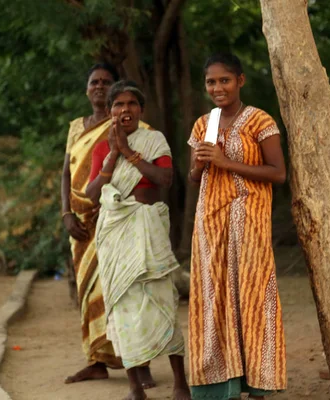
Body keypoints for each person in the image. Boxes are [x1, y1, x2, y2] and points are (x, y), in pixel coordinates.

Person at [187, 53, 288, 400]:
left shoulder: (260, 121)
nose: (218, 88)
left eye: (225, 80)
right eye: (211, 82)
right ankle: (221, 386)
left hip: (250, 222)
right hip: (211, 225)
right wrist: (201, 163)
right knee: (214, 298)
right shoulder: (204, 123)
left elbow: (278, 173)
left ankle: (259, 385)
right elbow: (193, 176)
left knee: (253, 296)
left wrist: (226, 161)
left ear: (240, 81)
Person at [85, 80, 191, 400]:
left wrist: (128, 152)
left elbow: (165, 180)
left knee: (161, 299)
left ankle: (180, 383)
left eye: (132, 104)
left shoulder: (154, 139)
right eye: (118, 105)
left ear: (141, 111)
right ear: (110, 111)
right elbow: (91, 195)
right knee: (122, 306)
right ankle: (134, 387)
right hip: (115, 233)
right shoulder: (102, 147)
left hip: (148, 227)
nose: (125, 110)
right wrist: (113, 154)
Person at [61, 63, 154, 387]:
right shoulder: (77, 127)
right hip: (82, 223)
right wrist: (66, 214)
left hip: (116, 219)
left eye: (105, 82)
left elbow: (142, 172)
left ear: (115, 89)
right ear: (87, 89)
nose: (99, 86)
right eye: (94, 82)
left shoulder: (133, 126)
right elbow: (65, 174)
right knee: (89, 292)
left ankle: (140, 363)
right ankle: (97, 359)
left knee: (127, 290)